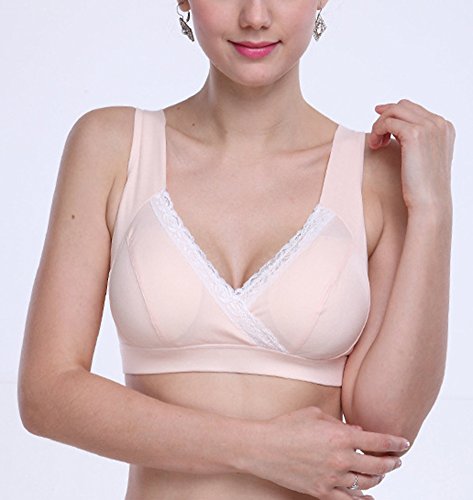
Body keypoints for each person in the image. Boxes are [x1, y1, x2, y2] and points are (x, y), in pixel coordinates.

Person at [17, 1, 455, 499]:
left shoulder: (375, 173)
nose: (254, 17)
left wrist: (433, 210)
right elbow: (46, 395)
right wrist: (260, 449)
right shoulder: (113, 146)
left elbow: (386, 428)